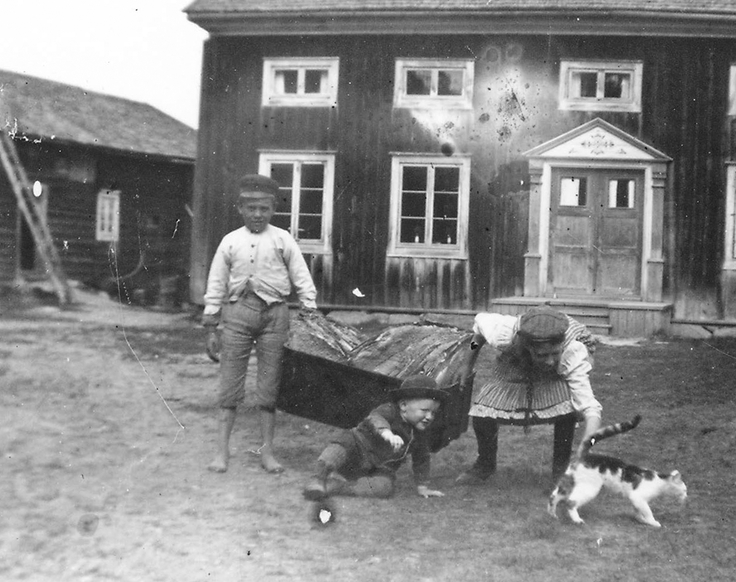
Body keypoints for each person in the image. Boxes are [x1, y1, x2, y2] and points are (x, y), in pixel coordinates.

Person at [202, 173, 319, 474]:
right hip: (237, 315)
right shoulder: (230, 241)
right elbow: (216, 283)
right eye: (251, 208)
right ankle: (221, 453)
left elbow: (302, 278)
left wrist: (309, 311)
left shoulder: (283, 239)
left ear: (273, 209)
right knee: (230, 385)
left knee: (269, 388)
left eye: (264, 208)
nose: (257, 214)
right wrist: (211, 325)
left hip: (274, 316)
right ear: (240, 208)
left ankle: (267, 453)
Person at [456, 306, 603, 483]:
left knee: (567, 409)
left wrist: (586, 447)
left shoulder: (572, 353)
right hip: (515, 362)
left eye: (554, 353)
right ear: (527, 347)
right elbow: (477, 336)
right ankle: (485, 465)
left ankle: (560, 472)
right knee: (482, 412)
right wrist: (467, 363)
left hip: (561, 365)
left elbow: (590, 407)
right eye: (542, 355)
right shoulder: (502, 332)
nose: (550, 361)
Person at [302, 374, 447, 500]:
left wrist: (422, 487)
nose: (429, 417)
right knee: (341, 445)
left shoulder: (419, 434)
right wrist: (387, 433)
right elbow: (376, 418)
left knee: (384, 488)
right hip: (356, 451)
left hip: (379, 467)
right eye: (424, 410)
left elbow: (422, 458)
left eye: (433, 413)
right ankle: (318, 478)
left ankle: (335, 487)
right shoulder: (389, 410)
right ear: (403, 405)